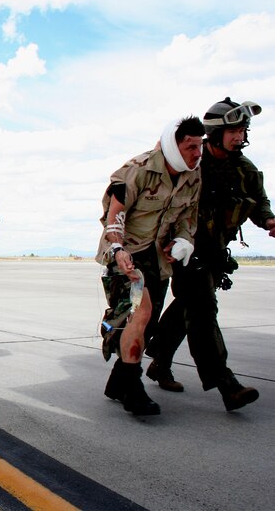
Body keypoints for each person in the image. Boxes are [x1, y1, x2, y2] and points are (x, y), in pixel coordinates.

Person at [145, 98, 272, 412]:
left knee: (186, 309)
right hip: (183, 251)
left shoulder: (245, 169)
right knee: (203, 311)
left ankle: (159, 361)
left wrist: (269, 220)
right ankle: (226, 384)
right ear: (216, 131)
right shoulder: (192, 162)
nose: (239, 135)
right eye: (233, 130)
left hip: (214, 254)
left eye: (243, 129)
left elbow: (259, 201)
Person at [97, 116, 204, 416]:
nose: (197, 153)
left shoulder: (193, 175)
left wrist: (184, 241)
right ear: (175, 145)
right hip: (125, 252)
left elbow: (187, 217)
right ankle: (133, 391)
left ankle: (118, 382)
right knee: (140, 313)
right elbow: (114, 214)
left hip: (155, 256)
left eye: (200, 146)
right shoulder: (139, 169)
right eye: (191, 147)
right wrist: (118, 249)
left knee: (148, 322)